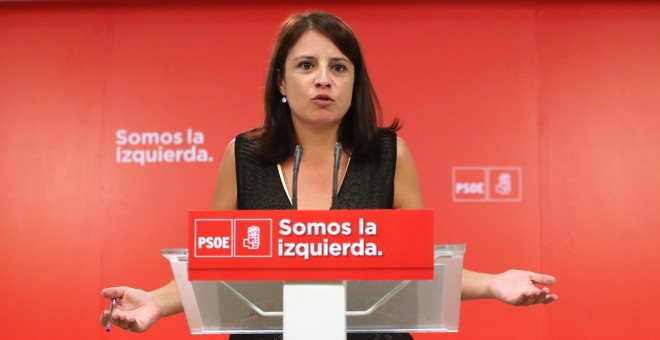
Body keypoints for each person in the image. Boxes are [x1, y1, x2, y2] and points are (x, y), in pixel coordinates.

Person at [99, 11, 558, 339]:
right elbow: (216, 269)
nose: (324, 79)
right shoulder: (242, 156)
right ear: (281, 82)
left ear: (354, 82)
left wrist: (495, 283)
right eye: (306, 66)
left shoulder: (388, 155)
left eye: (339, 67)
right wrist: (157, 302)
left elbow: (420, 270)